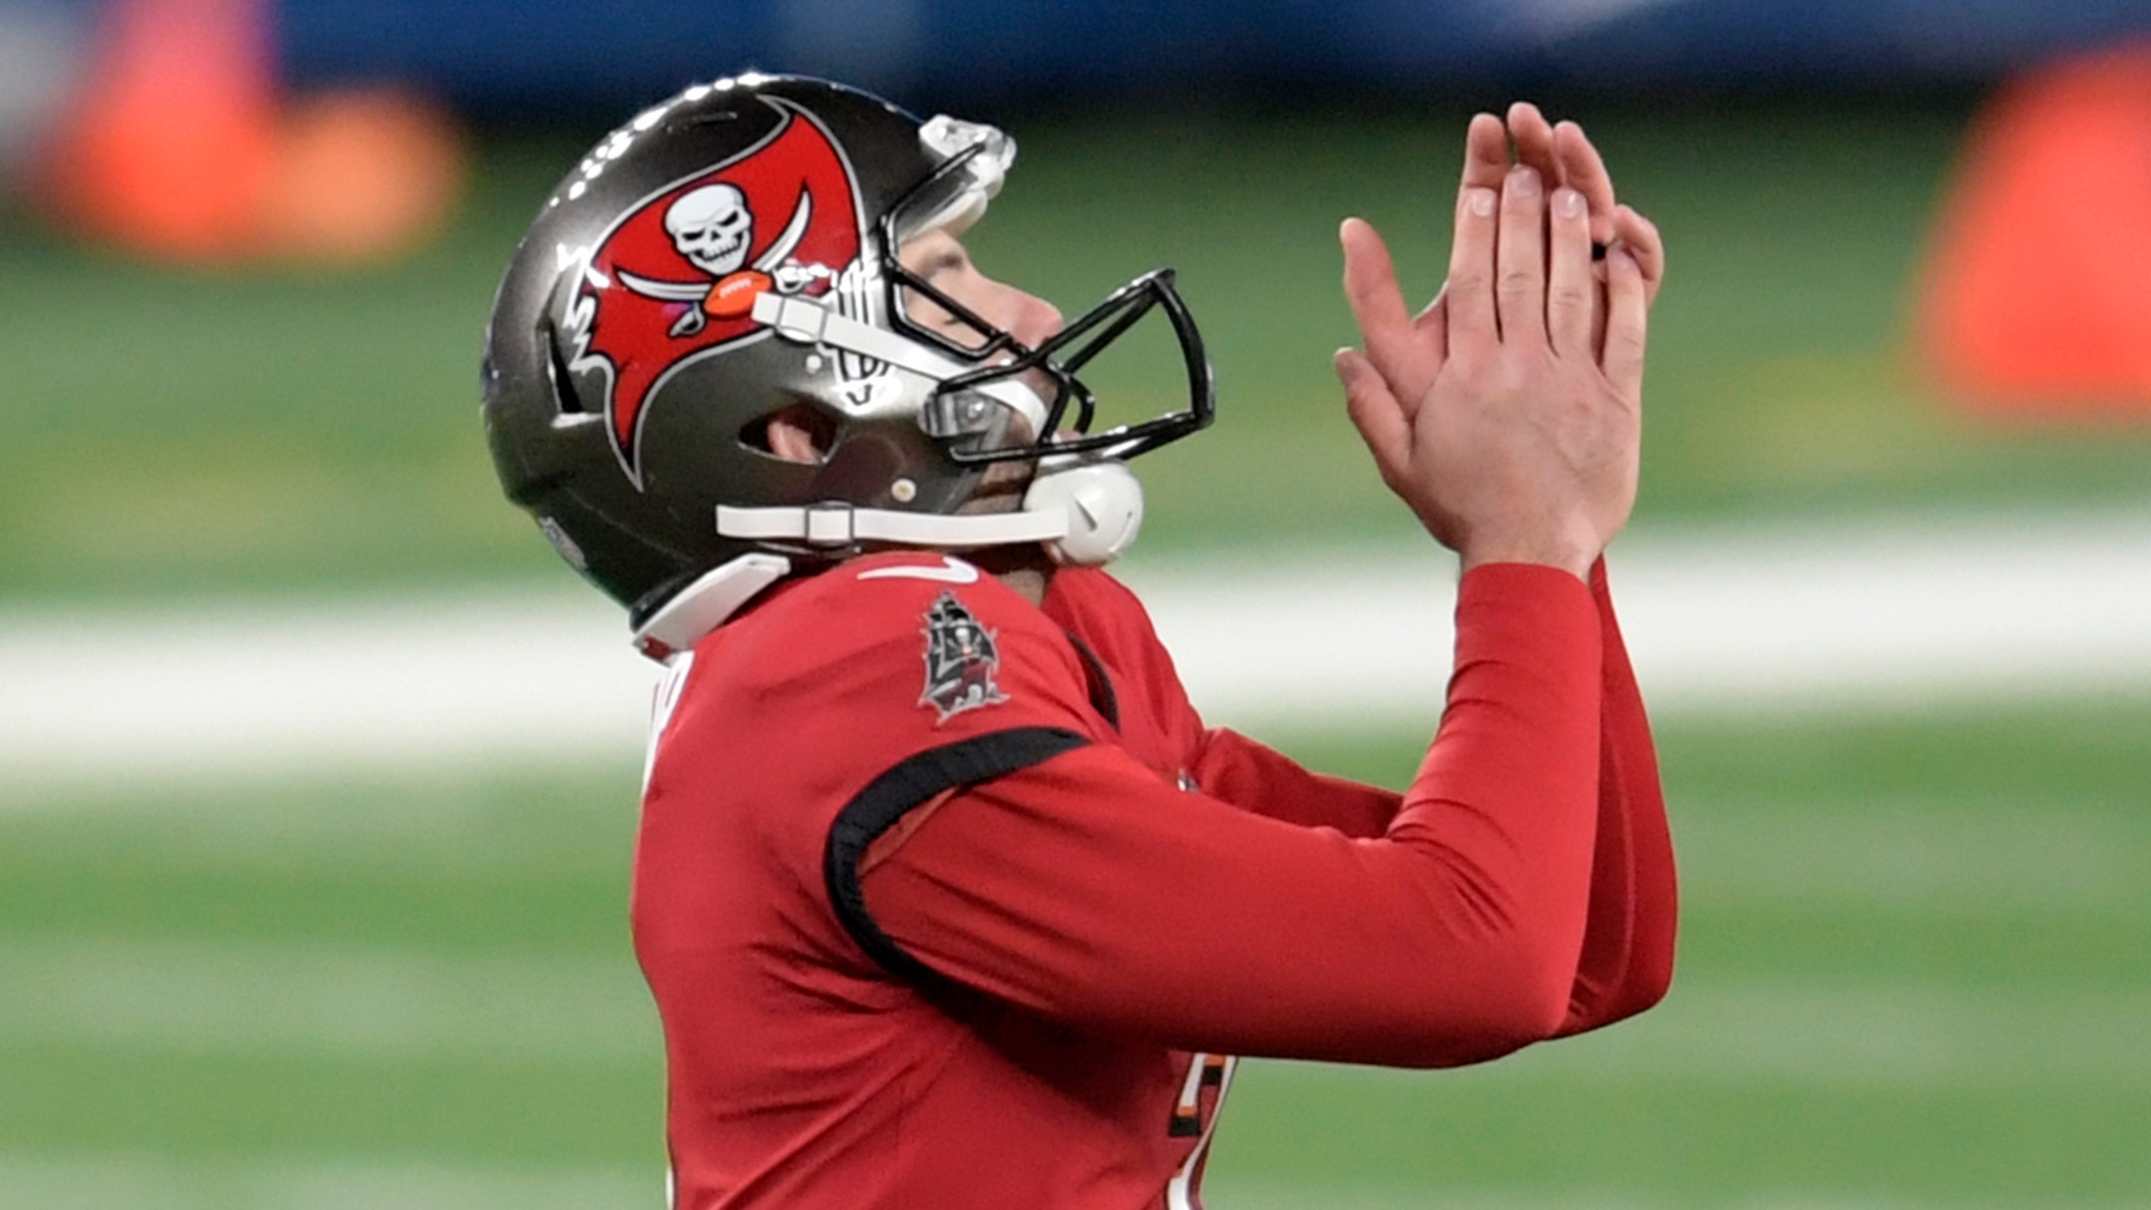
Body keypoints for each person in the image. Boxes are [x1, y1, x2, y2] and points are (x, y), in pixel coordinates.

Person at [482, 73, 1674, 1210]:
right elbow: (1473, 955)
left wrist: (1556, 527)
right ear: (792, 420)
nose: (1033, 316)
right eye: (944, 273)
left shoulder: (1018, 623)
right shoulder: (846, 674)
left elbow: (1584, 948)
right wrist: (1519, 538)